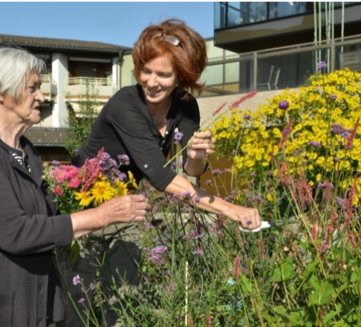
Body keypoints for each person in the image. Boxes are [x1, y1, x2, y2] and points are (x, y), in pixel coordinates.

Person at [0, 48, 150, 327]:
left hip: (28, 309)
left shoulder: (25, 151)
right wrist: (103, 215)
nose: (42, 97)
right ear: (0, 92)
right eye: (33, 88)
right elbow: (17, 232)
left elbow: (47, 223)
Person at [62, 19, 262, 326]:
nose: (151, 81)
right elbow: (159, 175)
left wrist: (196, 155)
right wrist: (231, 210)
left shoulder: (186, 107)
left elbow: (191, 172)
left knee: (124, 305)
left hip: (124, 208)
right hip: (82, 206)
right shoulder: (124, 105)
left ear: (182, 76)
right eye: (146, 70)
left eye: (163, 74)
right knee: (77, 306)